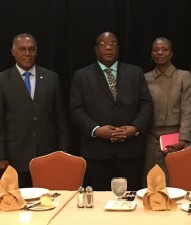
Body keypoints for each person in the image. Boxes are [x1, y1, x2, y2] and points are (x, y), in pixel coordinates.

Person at [70, 31, 153, 191]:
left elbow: (146, 104)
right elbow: (76, 109)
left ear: (119, 48)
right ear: (95, 49)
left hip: (130, 150)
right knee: (100, 203)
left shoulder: (135, 73)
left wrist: (135, 128)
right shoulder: (81, 76)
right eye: (103, 43)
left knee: (131, 200)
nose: (108, 47)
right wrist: (96, 130)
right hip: (97, 152)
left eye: (113, 44)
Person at [0, 33, 69, 187]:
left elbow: (60, 120)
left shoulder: (51, 78)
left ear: (36, 51)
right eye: (22, 49)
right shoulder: (2, 80)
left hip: (48, 155)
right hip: (15, 158)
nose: (27, 53)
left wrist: (63, 152)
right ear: (13, 52)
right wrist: (1, 156)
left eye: (31, 49)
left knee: (50, 203)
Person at [143, 37, 191, 187]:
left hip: (176, 137)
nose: (160, 53)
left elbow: (187, 110)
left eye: (164, 49)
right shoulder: (145, 78)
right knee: (152, 184)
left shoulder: (183, 76)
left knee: (177, 183)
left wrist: (183, 140)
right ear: (151, 53)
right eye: (156, 50)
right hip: (151, 138)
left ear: (171, 54)